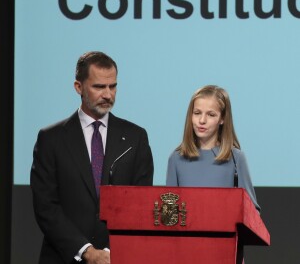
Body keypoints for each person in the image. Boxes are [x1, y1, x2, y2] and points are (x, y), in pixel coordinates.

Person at [30, 51, 154, 264]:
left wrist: (108, 251)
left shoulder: (136, 137)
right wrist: (86, 251)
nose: (108, 94)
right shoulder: (51, 139)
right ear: (78, 87)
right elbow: (46, 206)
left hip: (118, 257)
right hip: (64, 258)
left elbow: (140, 204)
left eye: (112, 86)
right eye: (99, 87)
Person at [166, 85, 260, 212]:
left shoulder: (236, 158)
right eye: (197, 113)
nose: (202, 120)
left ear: (222, 119)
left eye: (211, 115)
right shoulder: (176, 158)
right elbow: (170, 213)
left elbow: (252, 213)